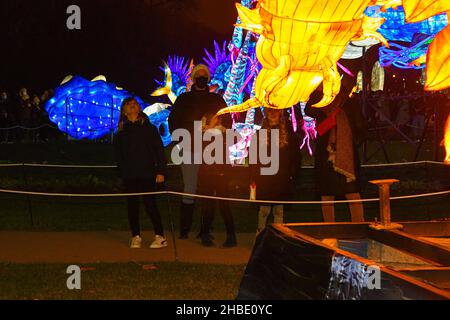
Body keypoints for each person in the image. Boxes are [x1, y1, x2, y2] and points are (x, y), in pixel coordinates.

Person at [169, 64, 228, 239]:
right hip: (189, 148)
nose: (201, 78)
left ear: (208, 79)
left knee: (208, 189)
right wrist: (180, 140)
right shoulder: (183, 99)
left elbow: (228, 120)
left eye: (204, 75)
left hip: (211, 150)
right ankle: (185, 229)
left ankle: (205, 229)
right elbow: (173, 121)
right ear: (194, 78)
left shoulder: (217, 100)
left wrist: (220, 130)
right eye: (198, 75)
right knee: (190, 188)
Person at [305, 81, 366, 223]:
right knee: (327, 194)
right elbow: (309, 110)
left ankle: (358, 225)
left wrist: (351, 142)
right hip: (327, 155)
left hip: (346, 156)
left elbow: (360, 126)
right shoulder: (321, 102)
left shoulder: (349, 103)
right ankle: (329, 227)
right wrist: (317, 93)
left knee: (352, 192)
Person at [115, 97, 168, 249]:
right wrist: (122, 173)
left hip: (147, 173)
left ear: (139, 108)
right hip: (130, 175)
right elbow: (119, 156)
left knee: (150, 205)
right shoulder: (121, 133)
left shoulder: (149, 128)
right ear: (124, 111)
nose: (132, 106)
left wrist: (161, 171)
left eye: (135, 104)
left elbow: (159, 151)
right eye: (128, 104)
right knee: (132, 206)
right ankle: (135, 236)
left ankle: (160, 236)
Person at [251, 108, 301, 233]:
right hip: (265, 178)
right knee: (264, 210)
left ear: (280, 113)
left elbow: (295, 156)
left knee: (279, 210)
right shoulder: (260, 133)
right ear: (266, 114)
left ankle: (279, 238)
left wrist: (291, 174)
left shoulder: (288, 133)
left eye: (275, 112)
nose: (273, 114)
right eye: (270, 112)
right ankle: (260, 237)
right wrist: (255, 176)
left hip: (282, 178)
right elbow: (253, 157)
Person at [197, 113, 237, 247]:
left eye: (217, 117)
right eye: (213, 116)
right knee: (208, 205)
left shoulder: (224, 132)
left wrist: (224, 130)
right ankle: (205, 235)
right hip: (207, 173)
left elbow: (236, 139)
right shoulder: (202, 133)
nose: (216, 118)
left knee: (224, 205)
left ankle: (231, 236)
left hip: (221, 173)